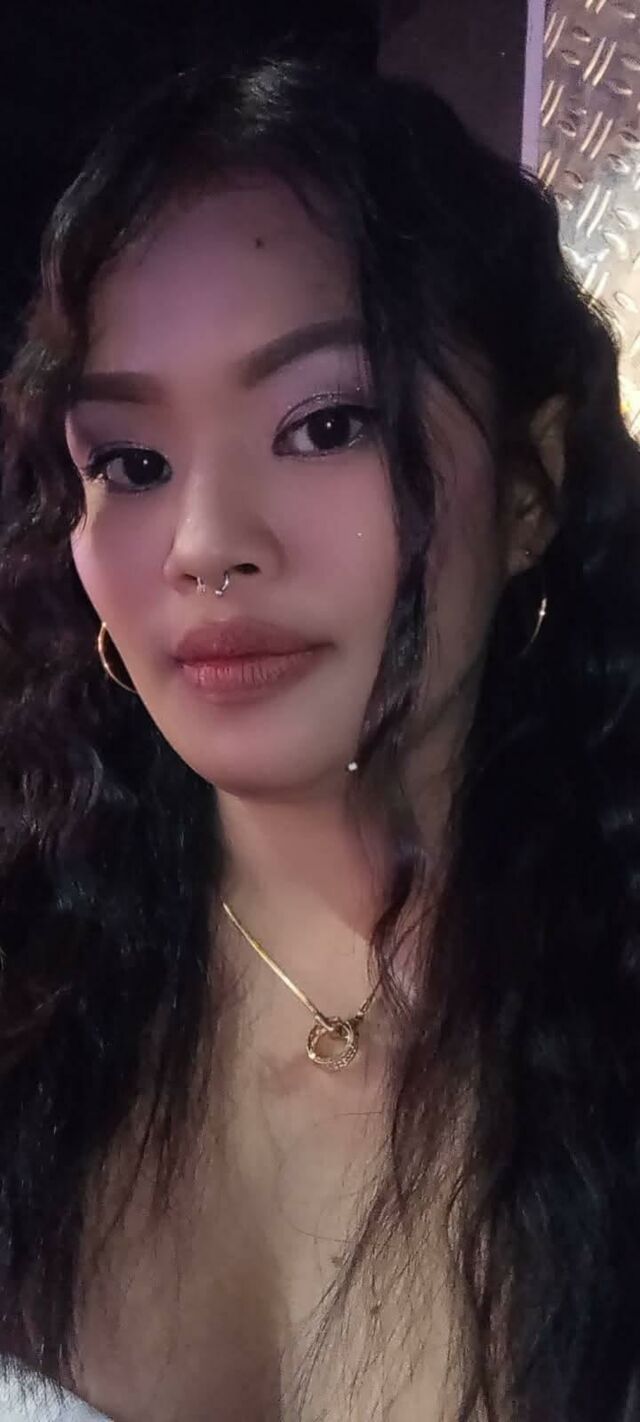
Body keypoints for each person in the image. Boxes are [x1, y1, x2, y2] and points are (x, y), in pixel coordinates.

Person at [0, 48, 639, 1422]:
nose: (204, 544)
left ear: (530, 488)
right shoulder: (31, 974)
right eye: (131, 463)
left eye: (326, 423)